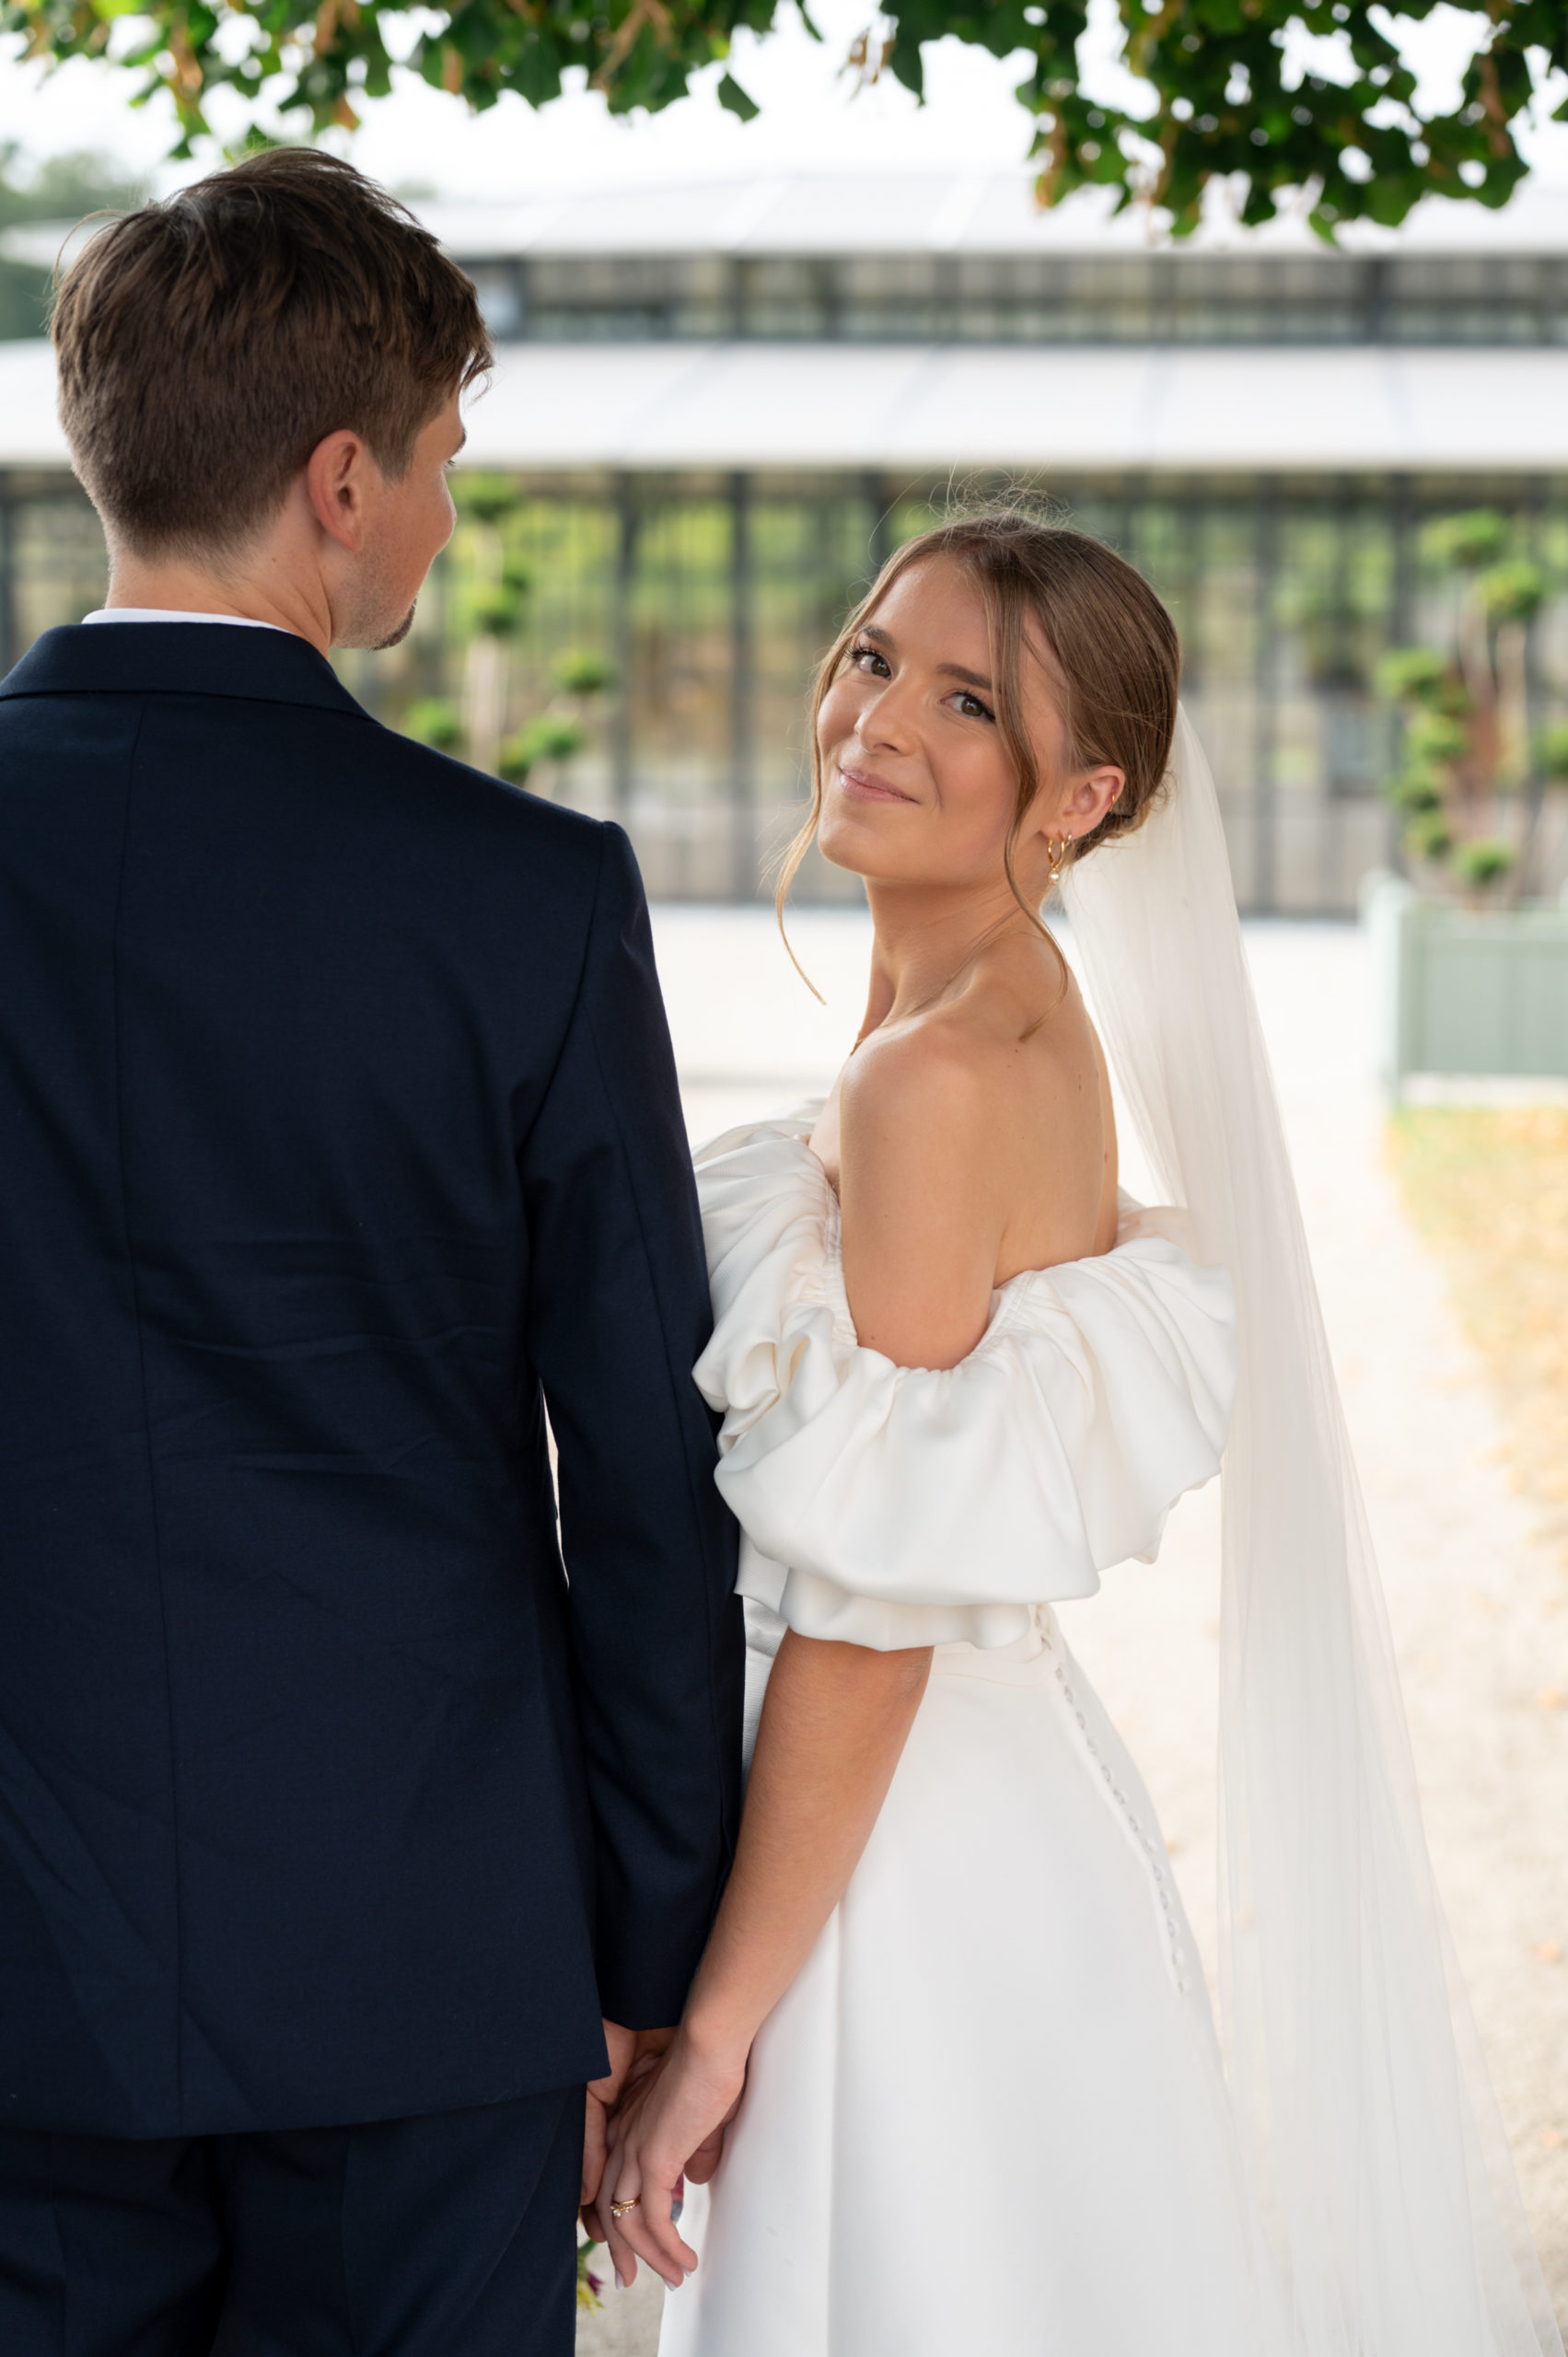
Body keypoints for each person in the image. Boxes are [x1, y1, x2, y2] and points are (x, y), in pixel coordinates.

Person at [595, 513, 1565, 2357]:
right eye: (875, 654)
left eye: (968, 699)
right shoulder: (984, 1014)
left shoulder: (936, 1079)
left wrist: (712, 2020)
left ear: (1083, 793)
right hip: (958, 1816)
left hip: (885, 1871)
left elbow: (875, 1611)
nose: (876, 717)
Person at [0, 149, 741, 2357]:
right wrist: (645, 1949)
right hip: (424, 1960)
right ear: (340, 481)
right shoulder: (525, 896)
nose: (438, 517)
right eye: (438, 465)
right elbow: (643, 1479)